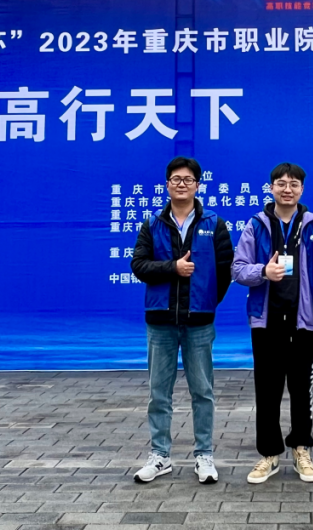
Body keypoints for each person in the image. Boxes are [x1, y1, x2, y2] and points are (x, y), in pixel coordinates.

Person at [130, 156, 234, 485]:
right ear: (167, 184)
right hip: (160, 321)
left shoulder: (214, 223)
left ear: (197, 185)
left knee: (202, 391)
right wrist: (172, 268)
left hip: (199, 323)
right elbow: (139, 265)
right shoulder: (152, 223)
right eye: (176, 179)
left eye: (188, 179)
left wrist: (206, 302)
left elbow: (225, 271)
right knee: (159, 393)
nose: (182, 184)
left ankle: (204, 455)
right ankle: (160, 455)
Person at [231, 163, 313, 484]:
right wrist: (263, 271)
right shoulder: (256, 225)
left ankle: (301, 448)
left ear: (302, 189)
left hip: (304, 322)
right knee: (268, 390)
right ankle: (269, 454)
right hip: (267, 321)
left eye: (294, 184)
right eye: (281, 183)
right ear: (271, 187)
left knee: (301, 390)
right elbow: (238, 269)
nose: (287, 189)